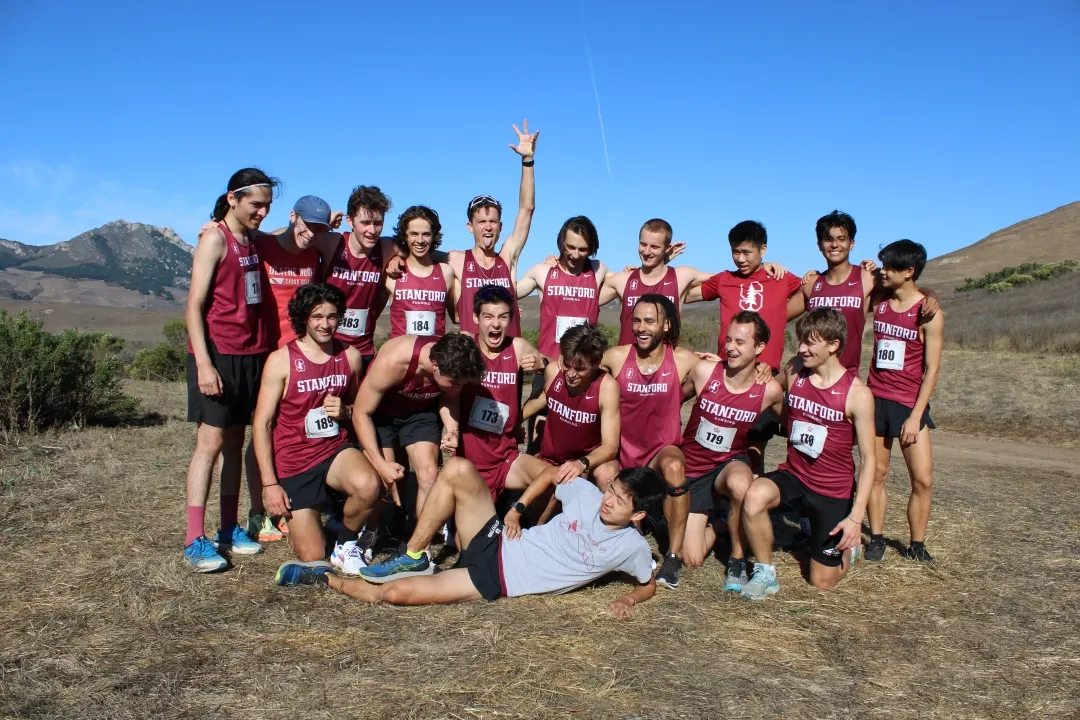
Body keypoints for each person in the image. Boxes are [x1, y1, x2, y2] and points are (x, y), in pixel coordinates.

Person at [302, 459, 663, 620]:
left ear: (637, 515)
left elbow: (647, 583)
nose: (608, 499)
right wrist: (516, 509)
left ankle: (327, 580)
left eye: (619, 499)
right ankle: (414, 552)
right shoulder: (586, 493)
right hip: (497, 539)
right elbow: (552, 474)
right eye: (611, 489)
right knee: (457, 468)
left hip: (494, 579)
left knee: (395, 595)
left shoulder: (631, 547)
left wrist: (630, 598)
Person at [739, 308, 877, 599]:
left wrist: (855, 517)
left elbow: (869, 461)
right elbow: (767, 394)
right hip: (794, 475)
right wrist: (747, 369)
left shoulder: (857, 395)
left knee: (822, 582)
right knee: (754, 496)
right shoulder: (794, 370)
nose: (801, 348)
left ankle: (847, 548)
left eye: (810, 342)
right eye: (800, 341)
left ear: (833, 345)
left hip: (831, 491)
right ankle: (766, 573)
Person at [250, 283, 383, 582]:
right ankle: (313, 521)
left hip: (333, 450)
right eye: (317, 316)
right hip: (295, 460)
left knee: (368, 485)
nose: (325, 324)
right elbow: (262, 424)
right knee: (311, 556)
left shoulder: (350, 356)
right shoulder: (281, 360)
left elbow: (357, 407)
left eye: (332, 316)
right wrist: (270, 485)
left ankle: (345, 542)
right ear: (304, 319)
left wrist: (346, 411)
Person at [183, 168, 277, 571]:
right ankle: (193, 538)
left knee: (237, 444)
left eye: (268, 206)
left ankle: (228, 528)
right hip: (218, 355)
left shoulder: (254, 240)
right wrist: (204, 363)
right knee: (210, 444)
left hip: (252, 355)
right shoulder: (214, 239)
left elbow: (298, 241)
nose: (262, 212)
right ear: (233, 198)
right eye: (257, 204)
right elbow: (193, 306)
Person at [596, 294, 701, 590]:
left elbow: (721, 373)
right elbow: (581, 365)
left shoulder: (683, 359)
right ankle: (630, 543)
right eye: (637, 320)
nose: (642, 327)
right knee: (605, 473)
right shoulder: (616, 357)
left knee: (675, 466)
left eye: (650, 321)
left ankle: (672, 556)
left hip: (659, 450)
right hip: (622, 448)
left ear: (666, 325)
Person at [684, 220, 802, 472]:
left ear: (764, 250)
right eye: (735, 252)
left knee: (754, 445)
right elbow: (683, 293)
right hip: (724, 375)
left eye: (747, 252)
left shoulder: (780, 278)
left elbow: (813, 290)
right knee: (712, 441)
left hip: (762, 377)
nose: (740, 258)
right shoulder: (725, 279)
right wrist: (650, 273)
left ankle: (751, 495)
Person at [679, 311, 785, 590]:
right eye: (728, 340)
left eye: (740, 342)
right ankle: (723, 521)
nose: (730, 348)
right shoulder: (704, 372)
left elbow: (792, 422)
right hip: (693, 468)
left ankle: (737, 559)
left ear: (759, 348)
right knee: (692, 556)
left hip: (729, 463)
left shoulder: (769, 390)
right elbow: (673, 399)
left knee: (742, 483)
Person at [865, 240, 944, 564]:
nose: (884, 272)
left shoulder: (929, 314)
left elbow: (932, 369)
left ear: (909, 272)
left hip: (909, 405)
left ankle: (917, 543)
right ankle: (877, 538)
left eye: (890, 267)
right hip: (875, 399)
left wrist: (915, 417)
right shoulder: (880, 301)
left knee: (922, 479)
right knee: (877, 474)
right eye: (882, 266)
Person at [351, 332, 485, 522]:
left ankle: (419, 548)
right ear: (435, 365)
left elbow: (451, 397)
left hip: (419, 412)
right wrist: (380, 464)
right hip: (382, 413)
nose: (457, 389)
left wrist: (452, 430)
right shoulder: (394, 361)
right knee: (384, 479)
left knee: (429, 475)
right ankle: (370, 535)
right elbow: (361, 413)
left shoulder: (453, 363)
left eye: (462, 384)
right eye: (454, 383)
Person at [599, 218, 787, 346]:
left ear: (667, 248)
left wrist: (762, 265)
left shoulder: (682, 276)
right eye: (643, 244)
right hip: (626, 366)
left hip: (666, 368)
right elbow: (588, 301)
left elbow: (731, 279)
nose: (647, 251)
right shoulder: (622, 280)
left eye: (655, 246)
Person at [795, 211, 939, 372]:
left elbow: (908, 287)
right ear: (819, 245)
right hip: (808, 375)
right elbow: (777, 313)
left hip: (846, 377)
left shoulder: (868, 277)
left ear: (852, 243)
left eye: (841, 239)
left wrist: (930, 294)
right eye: (828, 239)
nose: (835, 245)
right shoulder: (811, 283)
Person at [457, 285, 551, 501]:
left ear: (511, 319)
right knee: (478, 527)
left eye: (503, 317)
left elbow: (556, 375)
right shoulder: (466, 345)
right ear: (475, 317)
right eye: (488, 316)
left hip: (506, 458)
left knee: (552, 478)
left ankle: (527, 519)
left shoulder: (517, 347)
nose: (496, 324)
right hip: (469, 458)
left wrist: (541, 362)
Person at [449, 119, 539, 338]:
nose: (488, 227)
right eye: (481, 222)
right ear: (470, 227)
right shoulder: (456, 259)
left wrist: (527, 161)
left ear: (501, 227)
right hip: (471, 364)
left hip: (507, 364)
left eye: (493, 222)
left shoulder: (508, 257)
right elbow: (417, 248)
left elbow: (527, 209)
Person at [522, 323, 620, 483]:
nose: (571, 374)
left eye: (581, 369)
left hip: (584, 464)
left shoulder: (607, 387)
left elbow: (611, 446)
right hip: (550, 461)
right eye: (567, 365)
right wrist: (514, 423)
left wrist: (581, 464)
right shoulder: (554, 371)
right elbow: (542, 399)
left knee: (607, 473)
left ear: (596, 364)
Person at [322, 185, 400, 372]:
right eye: (365, 222)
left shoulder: (386, 247)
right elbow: (288, 238)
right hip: (326, 348)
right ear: (349, 220)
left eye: (378, 223)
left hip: (362, 350)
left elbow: (424, 252)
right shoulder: (332, 242)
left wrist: (398, 258)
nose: (372, 230)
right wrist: (322, 224)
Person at [387, 205, 457, 338]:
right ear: (405, 236)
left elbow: (457, 317)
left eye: (426, 234)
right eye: (414, 234)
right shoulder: (392, 273)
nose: (420, 241)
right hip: (400, 356)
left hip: (433, 355)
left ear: (433, 236)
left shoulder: (446, 272)